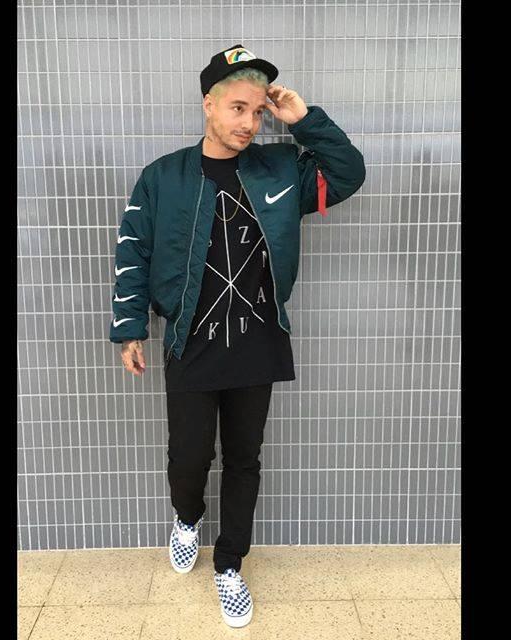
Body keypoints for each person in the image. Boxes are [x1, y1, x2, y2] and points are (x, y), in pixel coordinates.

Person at [109, 44, 366, 628]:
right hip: (190, 343)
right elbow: (134, 250)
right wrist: (130, 327)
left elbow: (348, 173)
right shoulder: (163, 177)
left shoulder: (282, 169)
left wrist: (302, 119)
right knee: (190, 455)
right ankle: (186, 518)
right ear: (209, 104)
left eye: (257, 111)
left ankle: (229, 565)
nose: (249, 123)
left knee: (245, 458)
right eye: (237, 108)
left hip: (257, 341)